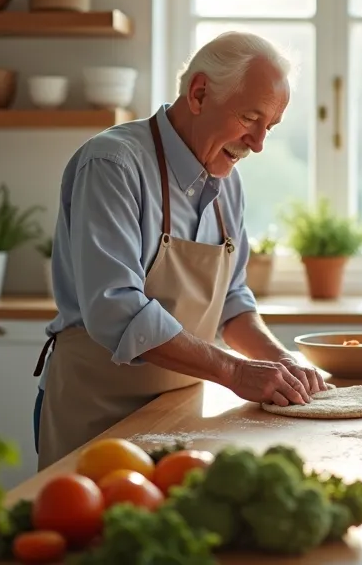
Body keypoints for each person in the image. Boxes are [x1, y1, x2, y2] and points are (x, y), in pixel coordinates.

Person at [33, 32, 326, 469]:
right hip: (95, 415)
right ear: (200, 92)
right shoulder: (112, 163)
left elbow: (232, 302)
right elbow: (116, 308)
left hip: (180, 414)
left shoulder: (229, 181)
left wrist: (279, 360)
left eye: (271, 127)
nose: (259, 143)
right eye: (250, 118)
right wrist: (236, 372)